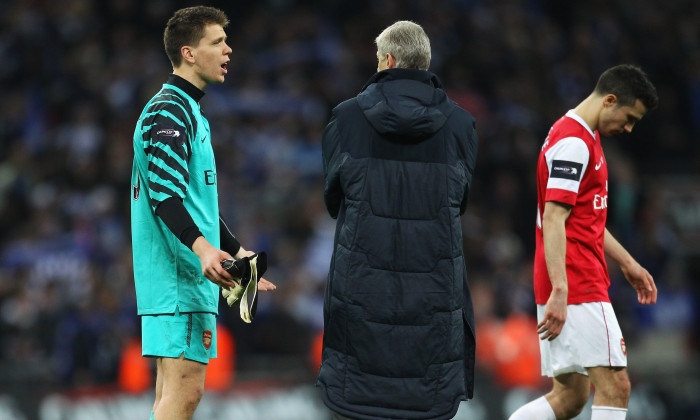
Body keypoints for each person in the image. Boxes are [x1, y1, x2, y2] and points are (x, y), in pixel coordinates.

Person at [318, 21, 479, 420]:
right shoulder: (462, 125)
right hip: (434, 302)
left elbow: (333, 200)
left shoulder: (346, 118)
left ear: (387, 60)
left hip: (362, 300)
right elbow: (459, 203)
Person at [130, 6, 275, 420]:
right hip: (180, 281)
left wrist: (235, 249)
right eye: (218, 42)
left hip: (179, 280)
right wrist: (202, 250)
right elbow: (165, 197)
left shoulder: (185, 111)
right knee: (184, 393)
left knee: (172, 394)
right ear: (189, 53)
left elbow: (196, 204)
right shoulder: (172, 112)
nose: (229, 49)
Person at [509, 64, 659, 420]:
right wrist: (561, 290)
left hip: (569, 279)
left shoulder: (575, 134)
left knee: (570, 396)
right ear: (609, 100)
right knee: (616, 386)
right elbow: (554, 218)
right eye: (629, 117)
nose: (628, 127)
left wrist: (628, 263)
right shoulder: (575, 143)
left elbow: (584, 218)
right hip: (576, 282)